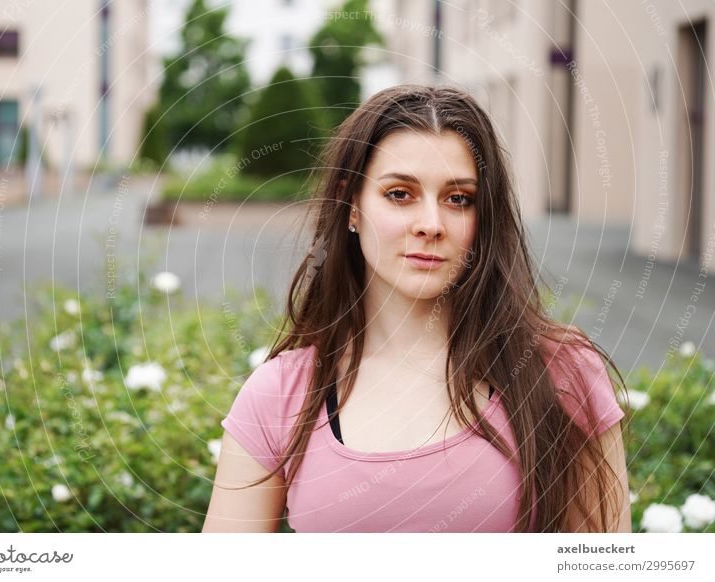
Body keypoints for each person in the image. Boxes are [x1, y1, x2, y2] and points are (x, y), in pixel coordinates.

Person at [202, 84, 631, 533]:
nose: (431, 225)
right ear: (351, 204)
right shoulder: (281, 394)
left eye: (458, 199)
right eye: (400, 194)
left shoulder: (561, 373)